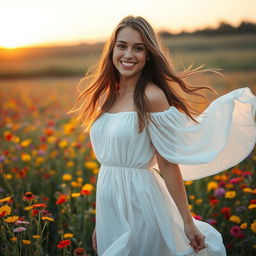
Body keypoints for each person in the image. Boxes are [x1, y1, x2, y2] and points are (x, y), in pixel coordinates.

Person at [68, 15, 256, 256]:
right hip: (110, 204)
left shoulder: (151, 97)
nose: (128, 55)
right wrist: (101, 222)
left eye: (138, 48)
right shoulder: (107, 96)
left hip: (141, 200)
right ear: (112, 49)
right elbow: (110, 168)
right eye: (122, 46)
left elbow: (167, 164)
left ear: (148, 55)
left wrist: (187, 221)